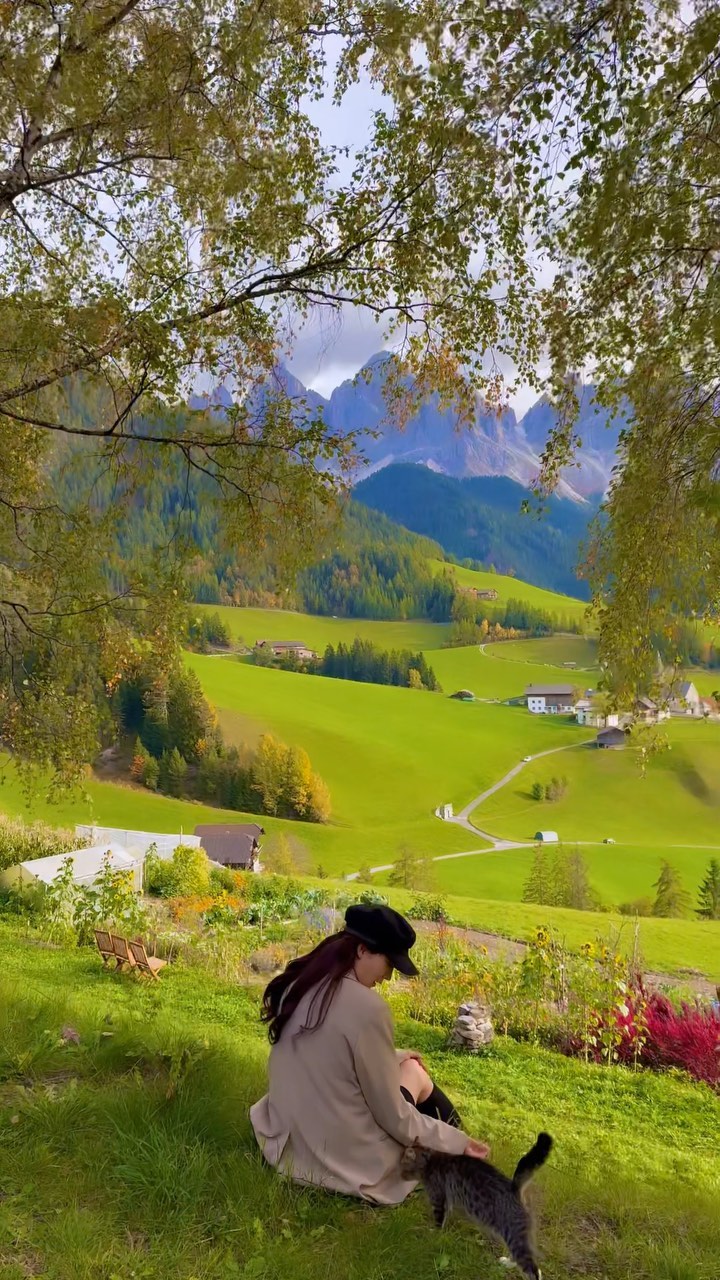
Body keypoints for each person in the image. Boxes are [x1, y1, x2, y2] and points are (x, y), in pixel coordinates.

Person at [250, 903, 490, 1205]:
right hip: (335, 1158)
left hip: (286, 1141)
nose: (388, 977)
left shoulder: (301, 982)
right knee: (415, 1074)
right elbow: (394, 1117)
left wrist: (393, 1056)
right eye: (389, 964)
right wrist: (456, 1142)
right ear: (362, 950)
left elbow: (330, 1053)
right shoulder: (369, 1009)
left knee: (406, 1065)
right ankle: (467, 1155)